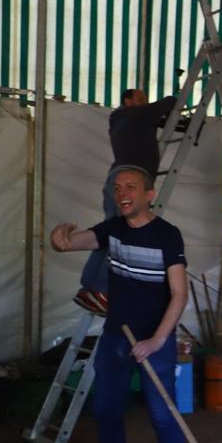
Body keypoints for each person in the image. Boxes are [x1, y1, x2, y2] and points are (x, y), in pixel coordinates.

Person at [49, 165, 192, 443]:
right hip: (116, 337)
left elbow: (179, 294)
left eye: (131, 186)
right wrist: (59, 237)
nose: (122, 192)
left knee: (164, 420)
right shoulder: (111, 229)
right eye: (117, 187)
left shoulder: (167, 236)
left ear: (149, 194)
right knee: (107, 412)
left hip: (154, 342)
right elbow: (70, 244)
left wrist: (158, 340)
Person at [75, 89, 178, 315]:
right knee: (121, 234)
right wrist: (175, 99)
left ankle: (90, 288)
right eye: (140, 99)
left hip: (117, 178)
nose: (144, 103)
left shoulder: (121, 120)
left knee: (109, 232)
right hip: (130, 178)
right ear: (128, 101)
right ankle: (101, 289)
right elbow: (166, 103)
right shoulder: (135, 115)